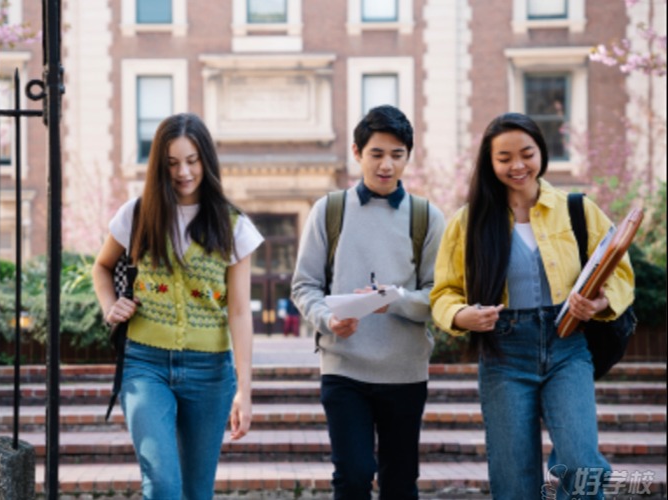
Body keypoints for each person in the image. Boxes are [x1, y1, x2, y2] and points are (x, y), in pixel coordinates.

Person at [430, 112, 635, 500]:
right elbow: (444, 292)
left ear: (542, 152)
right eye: (504, 158)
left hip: (568, 347)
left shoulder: (578, 209)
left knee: (581, 464)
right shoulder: (468, 222)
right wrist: (462, 315)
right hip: (503, 353)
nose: (517, 165)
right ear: (490, 164)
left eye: (526, 153)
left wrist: (601, 301)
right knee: (514, 479)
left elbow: (621, 272)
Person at [92, 113, 263, 500]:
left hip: (211, 373)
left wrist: (245, 391)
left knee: (196, 492)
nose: (183, 172)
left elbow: (239, 313)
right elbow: (102, 267)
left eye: (192, 160)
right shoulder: (136, 215)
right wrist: (110, 306)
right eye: (171, 163)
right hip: (145, 364)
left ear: (206, 160)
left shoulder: (233, 225)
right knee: (164, 487)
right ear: (158, 166)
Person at [291, 105, 446, 499]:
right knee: (354, 476)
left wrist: (393, 301)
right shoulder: (329, 210)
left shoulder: (427, 218)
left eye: (397, 154)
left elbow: (439, 296)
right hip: (344, 369)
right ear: (357, 153)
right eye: (376, 153)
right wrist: (328, 318)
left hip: (406, 373)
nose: (387, 165)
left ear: (408, 157)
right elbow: (304, 285)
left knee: (399, 482)